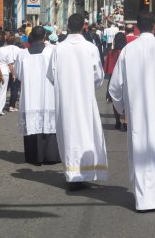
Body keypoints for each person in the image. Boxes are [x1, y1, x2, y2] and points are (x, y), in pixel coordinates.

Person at [109, 11, 155, 212]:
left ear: (137, 26)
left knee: (139, 150)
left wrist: (122, 108)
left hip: (136, 110)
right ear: (154, 25)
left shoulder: (128, 50)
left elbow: (114, 86)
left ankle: (142, 199)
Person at [47, 13, 108, 191]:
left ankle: (72, 174)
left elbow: (51, 75)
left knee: (68, 133)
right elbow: (98, 76)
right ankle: (84, 172)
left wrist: (63, 86)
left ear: (67, 26)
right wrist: (88, 85)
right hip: (84, 98)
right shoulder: (90, 48)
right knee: (86, 133)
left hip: (65, 100)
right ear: (83, 27)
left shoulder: (58, 49)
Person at [15, 26, 60, 166]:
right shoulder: (52, 52)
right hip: (48, 93)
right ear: (44, 37)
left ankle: (34, 156)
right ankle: (50, 156)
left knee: (32, 123)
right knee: (49, 123)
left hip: (30, 95)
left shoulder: (22, 54)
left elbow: (18, 75)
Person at [104, 32, 127, 130]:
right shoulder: (126, 51)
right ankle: (126, 121)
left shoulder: (111, 52)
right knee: (126, 99)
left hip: (113, 78)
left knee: (114, 99)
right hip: (125, 78)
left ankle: (117, 121)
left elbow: (107, 68)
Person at [0, 31, 14, 115]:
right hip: (4, 72)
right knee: (2, 91)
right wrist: (13, 74)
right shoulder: (7, 50)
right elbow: (10, 64)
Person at [6, 32, 22, 112]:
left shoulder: (3, 49)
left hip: (4, 71)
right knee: (14, 89)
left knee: (2, 90)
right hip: (15, 71)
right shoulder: (18, 50)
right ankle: (12, 106)